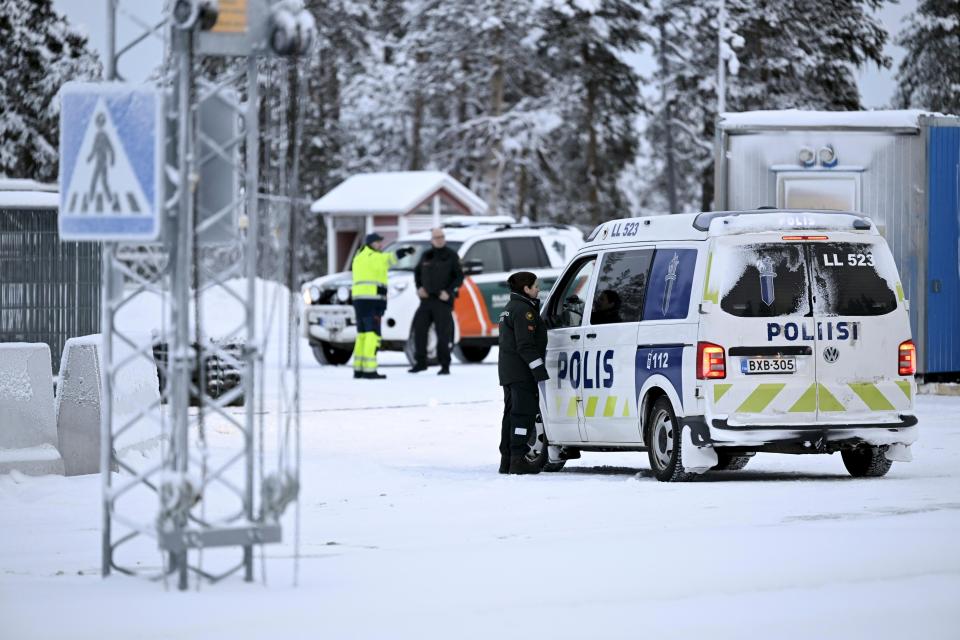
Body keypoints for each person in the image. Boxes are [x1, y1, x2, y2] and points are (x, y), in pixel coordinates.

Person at [498, 271, 549, 474]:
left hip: (509, 372)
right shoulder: (523, 311)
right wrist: (539, 371)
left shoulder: (509, 308)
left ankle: (507, 460)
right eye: (535, 286)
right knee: (522, 416)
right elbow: (525, 346)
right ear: (525, 289)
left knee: (510, 416)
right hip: (522, 373)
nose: (538, 289)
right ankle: (518, 460)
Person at [351, 233, 414, 379]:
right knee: (373, 335)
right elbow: (390, 258)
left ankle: (358, 369)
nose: (380, 245)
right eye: (377, 242)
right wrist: (404, 251)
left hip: (359, 301)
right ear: (370, 243)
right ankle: (369, 370)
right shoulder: (375, 257)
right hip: (372, 301)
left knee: (362, 335)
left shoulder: (358, 257)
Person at [408, 227, 464, 375]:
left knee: (443, 335)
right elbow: (417, 273)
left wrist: (448, 291)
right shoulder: (426, 255)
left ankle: (445, 365)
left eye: (441, 237)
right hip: (426, 300)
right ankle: (420, 363)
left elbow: (459, 277)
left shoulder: (451, 255)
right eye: (436, 237)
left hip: (442, 301)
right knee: (419, 330)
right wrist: (419, 287)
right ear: (431, 240)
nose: (439, 239)